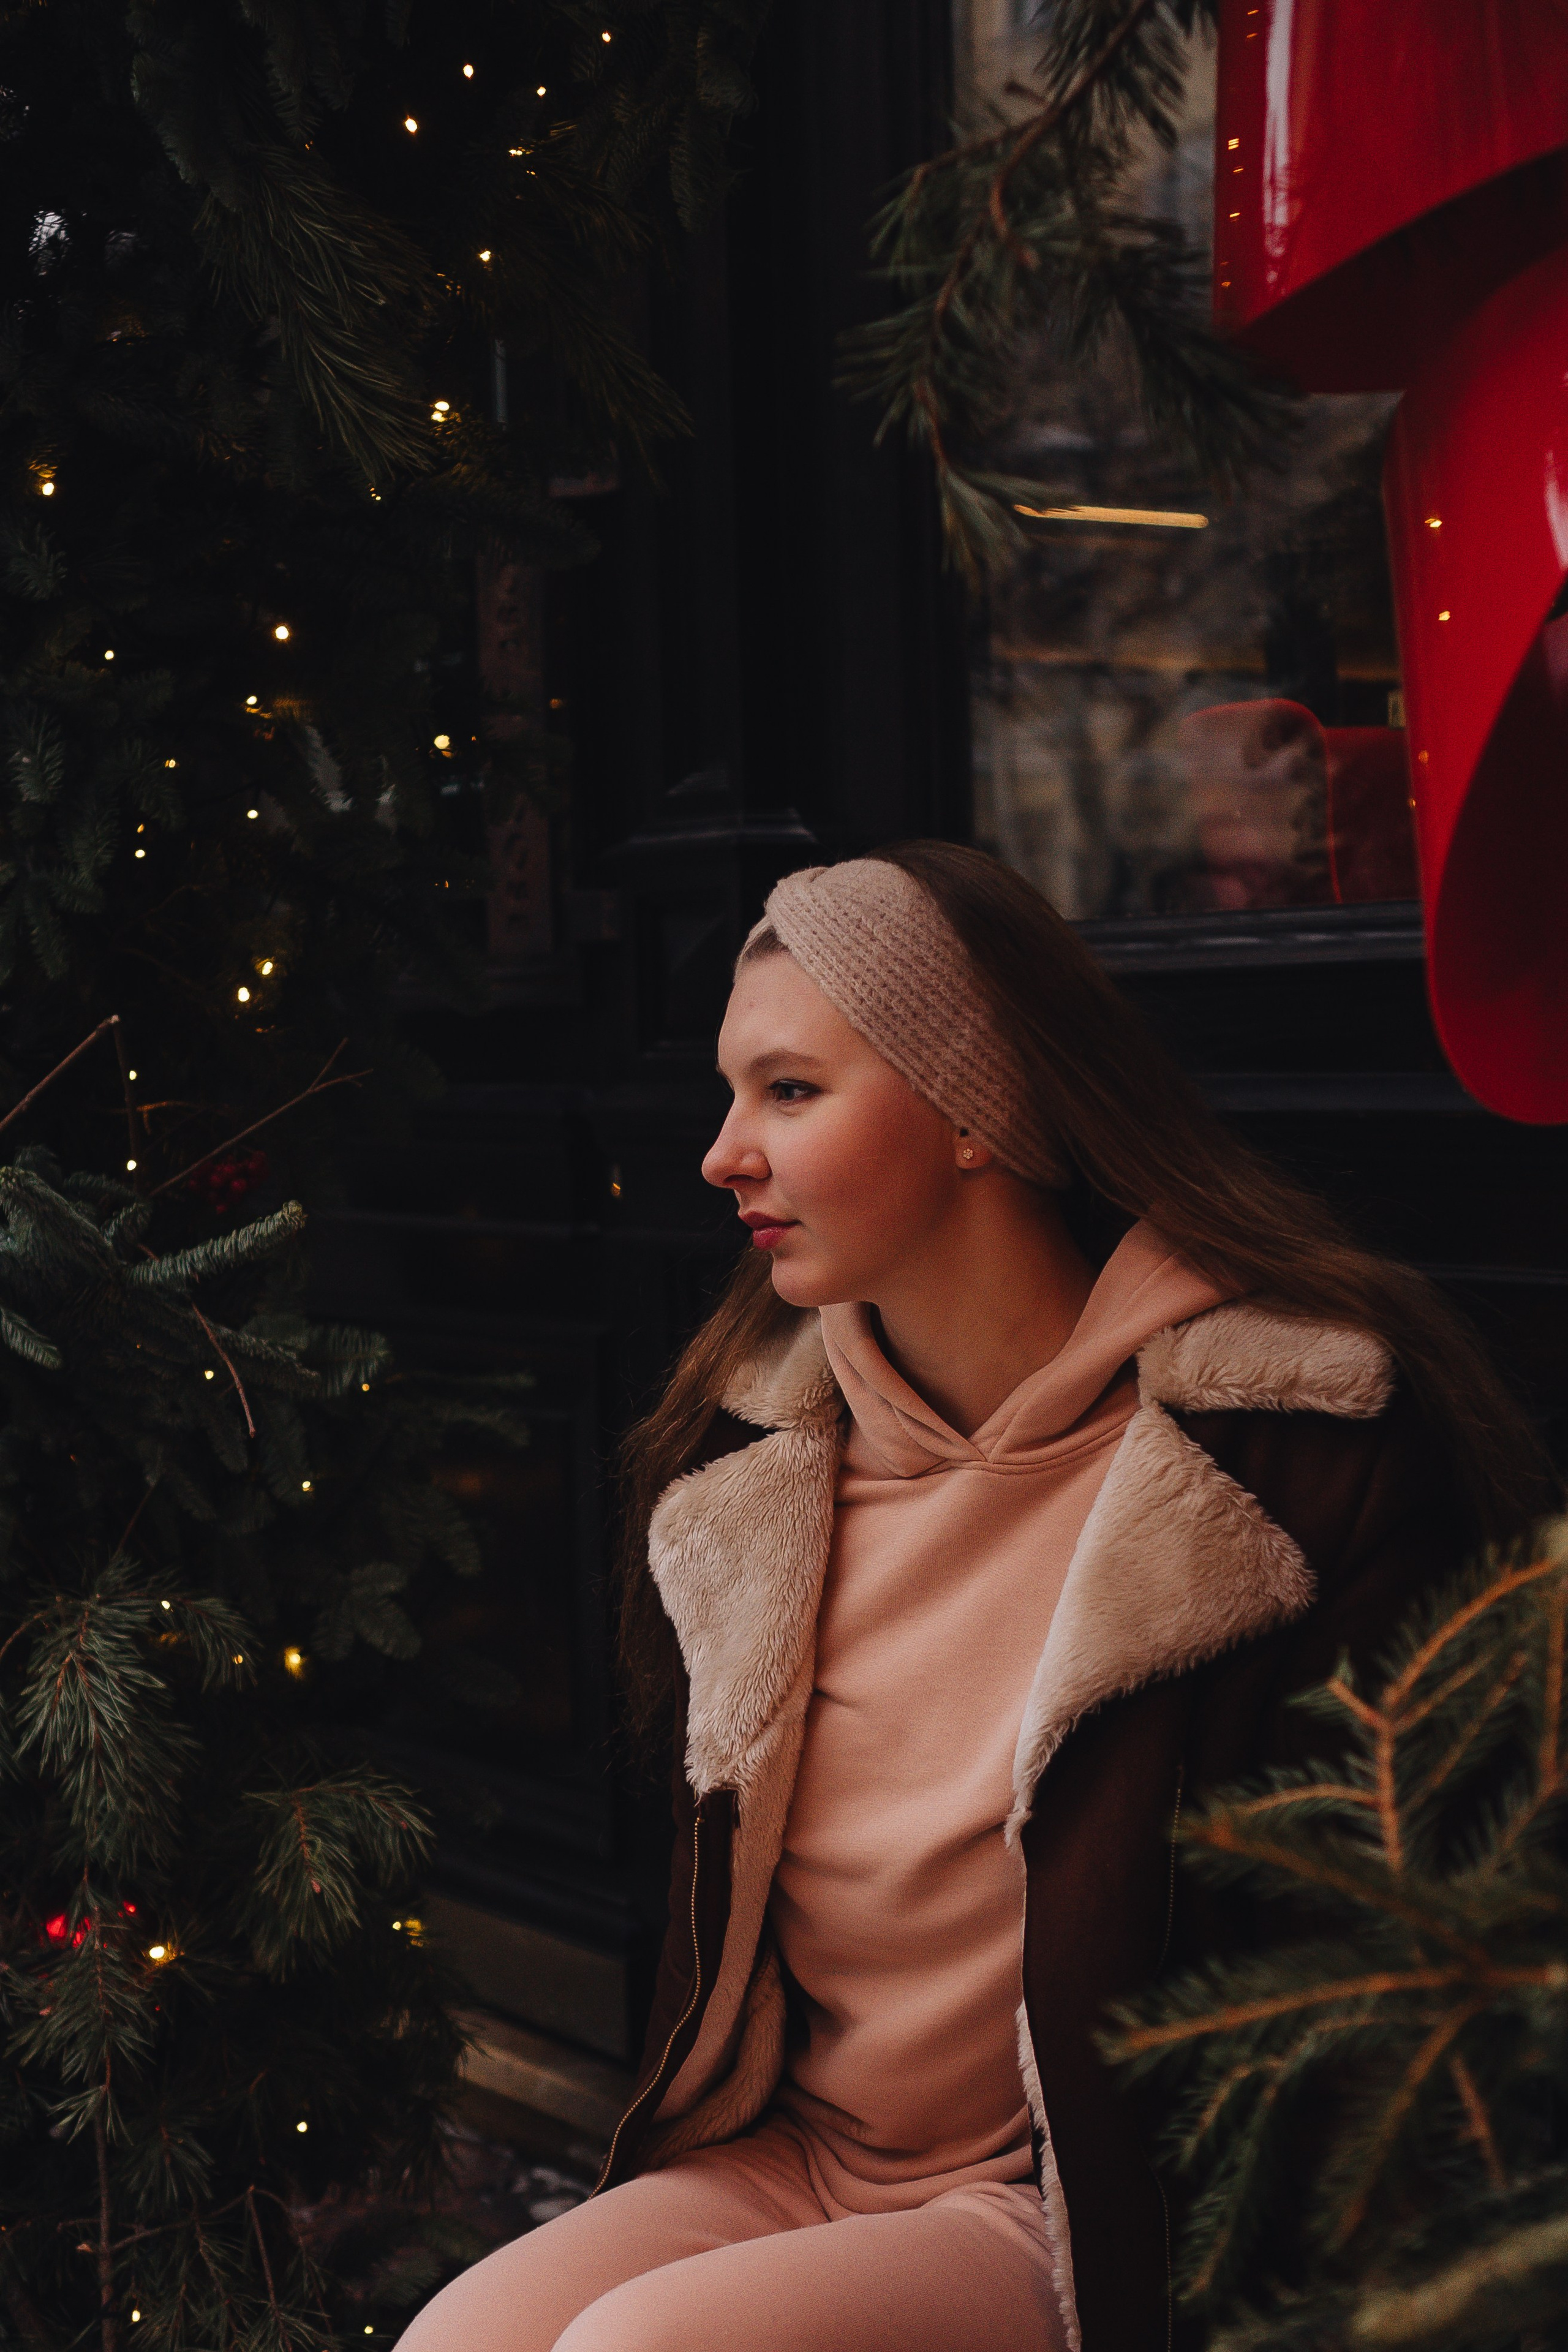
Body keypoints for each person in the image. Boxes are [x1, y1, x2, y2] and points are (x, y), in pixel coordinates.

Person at [403, 844, 1551, 2352]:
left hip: (1073, 2203)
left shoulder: (1286, 1457)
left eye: (789, 1092)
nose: (720, 1154)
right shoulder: (742, 1471)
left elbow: (1395, 1947)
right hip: (800, 2158)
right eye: (731, 1095)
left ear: (970, 1110)